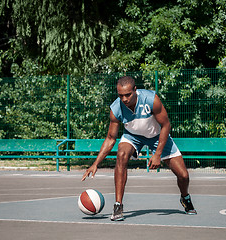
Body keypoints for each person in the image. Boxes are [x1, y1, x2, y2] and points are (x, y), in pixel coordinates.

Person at [81, 76, 196, 221]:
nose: (124, 99)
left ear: (135, 90)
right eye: (120, 95)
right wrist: (95, 163)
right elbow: (111, 139)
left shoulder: (151, 100)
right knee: (121, 154)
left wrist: (157, 154)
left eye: (127, 95)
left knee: (184, 175)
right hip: (133, 136)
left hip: (157, 136)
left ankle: (185, 197)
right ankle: (118, 205)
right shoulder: (116, 108)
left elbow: (166, 125)